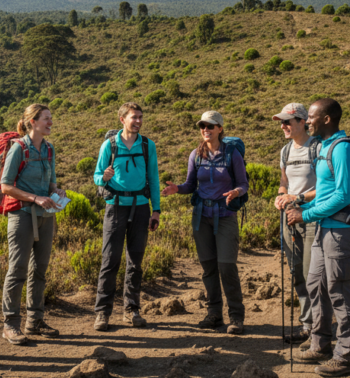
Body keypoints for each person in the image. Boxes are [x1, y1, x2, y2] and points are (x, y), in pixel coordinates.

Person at [292, 98, 350, 378]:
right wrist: (303, 208)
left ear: (327, 119)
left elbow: (344, 195)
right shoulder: (324, 147)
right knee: (316, 284)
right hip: (324, 228)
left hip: (341, 231)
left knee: (340, 291)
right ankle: (320, 344)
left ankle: (346, 357)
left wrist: (306, 216)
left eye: (311, 116)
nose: (307, 121)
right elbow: (324, 193)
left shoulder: (343, 149)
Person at [161, 111, 248, 334]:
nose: (206, 130)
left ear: (220, 128)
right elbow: (191, 184)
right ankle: (214, 314)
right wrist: (177, 189)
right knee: (209, 267)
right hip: (201, 217)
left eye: (210, 126)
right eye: (203, 126)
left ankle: (236, 317)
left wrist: (236, 192)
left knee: (226, 266)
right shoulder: (196, 155)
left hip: (226, 217)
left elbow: (243, 183)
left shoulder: (232, 154)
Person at [92, 102, 161, 332]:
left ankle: (131, 309)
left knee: (135, 261)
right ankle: (102, 312)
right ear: (122, 119)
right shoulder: (109, 146)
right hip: (115, 206)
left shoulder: (147, 145)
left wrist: (156, 210)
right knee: (110, 260)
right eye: (134, 117)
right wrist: (105, 177)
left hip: (140, 207)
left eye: (141, 117)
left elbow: (154, 178)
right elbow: (96, 176)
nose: (139, 121)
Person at [0, 103, 62, 345]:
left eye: (51, 118)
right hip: (23, 216)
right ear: (32, 122)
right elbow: (6, 186)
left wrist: (57, 192)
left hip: (46, 217)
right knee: (17, 270)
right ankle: (10, 324)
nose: (50, 122)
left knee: (40, 269)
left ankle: (34, 321)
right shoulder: (19, 149)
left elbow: (51, 184)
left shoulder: (49, 149)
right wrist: (35, 198)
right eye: (46, 118)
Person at [272, 103, 320, 343]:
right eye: (281, 122)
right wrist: (282, 196)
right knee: (297, 272)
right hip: (289, 218)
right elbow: (284, 182)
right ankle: (307, 325)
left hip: (312, 218)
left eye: (288, 122)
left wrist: (298, 198)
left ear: (303, 122)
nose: (283, 126)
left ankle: (319, 329)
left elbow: (325, 188)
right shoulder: (285, 152)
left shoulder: (317, 148)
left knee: (312, 273)